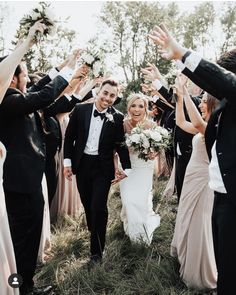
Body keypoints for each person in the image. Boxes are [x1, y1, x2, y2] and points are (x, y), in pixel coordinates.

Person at [149, 23, 236, 295]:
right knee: (225, 266)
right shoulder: (223, 109)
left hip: (231, 198)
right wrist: (175, 86)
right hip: (220, 194)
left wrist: (182, 55)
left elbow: (223, 83)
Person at [0, 25, 76, 294]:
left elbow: (41, 85)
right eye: (25, 75)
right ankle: (19, 288)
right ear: (12, 79)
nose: (29, 78)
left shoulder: (18, 96)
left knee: (30, 237)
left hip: (30, 181)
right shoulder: (7, 103)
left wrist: (65, 66)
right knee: (22, 240)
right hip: (18, 185)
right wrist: (70, 73)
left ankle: (27, 285)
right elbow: (44, 94)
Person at [63, 79, 131, 262]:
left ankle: (97, 252)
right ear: (98, 92)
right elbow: (69, 138)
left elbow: (121, 145)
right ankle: (94, 229)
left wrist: (128, 169)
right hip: (82, 164)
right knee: (88, 204)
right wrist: (67, 163)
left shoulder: (117, 117)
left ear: (115, 98)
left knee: (98, 207)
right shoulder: (80, 110)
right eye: (105, 93)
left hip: (103, 168)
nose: (107, 98)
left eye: (112, 95)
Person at [171, 74, 217, 290]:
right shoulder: (203, 127)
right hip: (190, 176)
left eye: (203, 103)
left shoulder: (214, 128)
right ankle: (184, 253)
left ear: (212, 105)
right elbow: (181, 122)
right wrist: (180, 97)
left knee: (199, 220)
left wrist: (186, 92)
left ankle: (199, 269)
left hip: (203, 181)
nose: (200, 106)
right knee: (186, 215)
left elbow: (197, 123)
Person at [118, 93, 161, 245]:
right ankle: (130, 223)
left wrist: (154, 152)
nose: (136, 109)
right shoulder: (122, 124)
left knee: (141, 201)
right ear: (128, 107)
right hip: (126, 167)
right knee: (128, 199)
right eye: (133, 106)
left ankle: (139, 236)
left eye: (141, 106)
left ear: (146, 108)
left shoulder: (152, 127)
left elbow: (158, 148)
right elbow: (114, 146)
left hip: (144, 168)